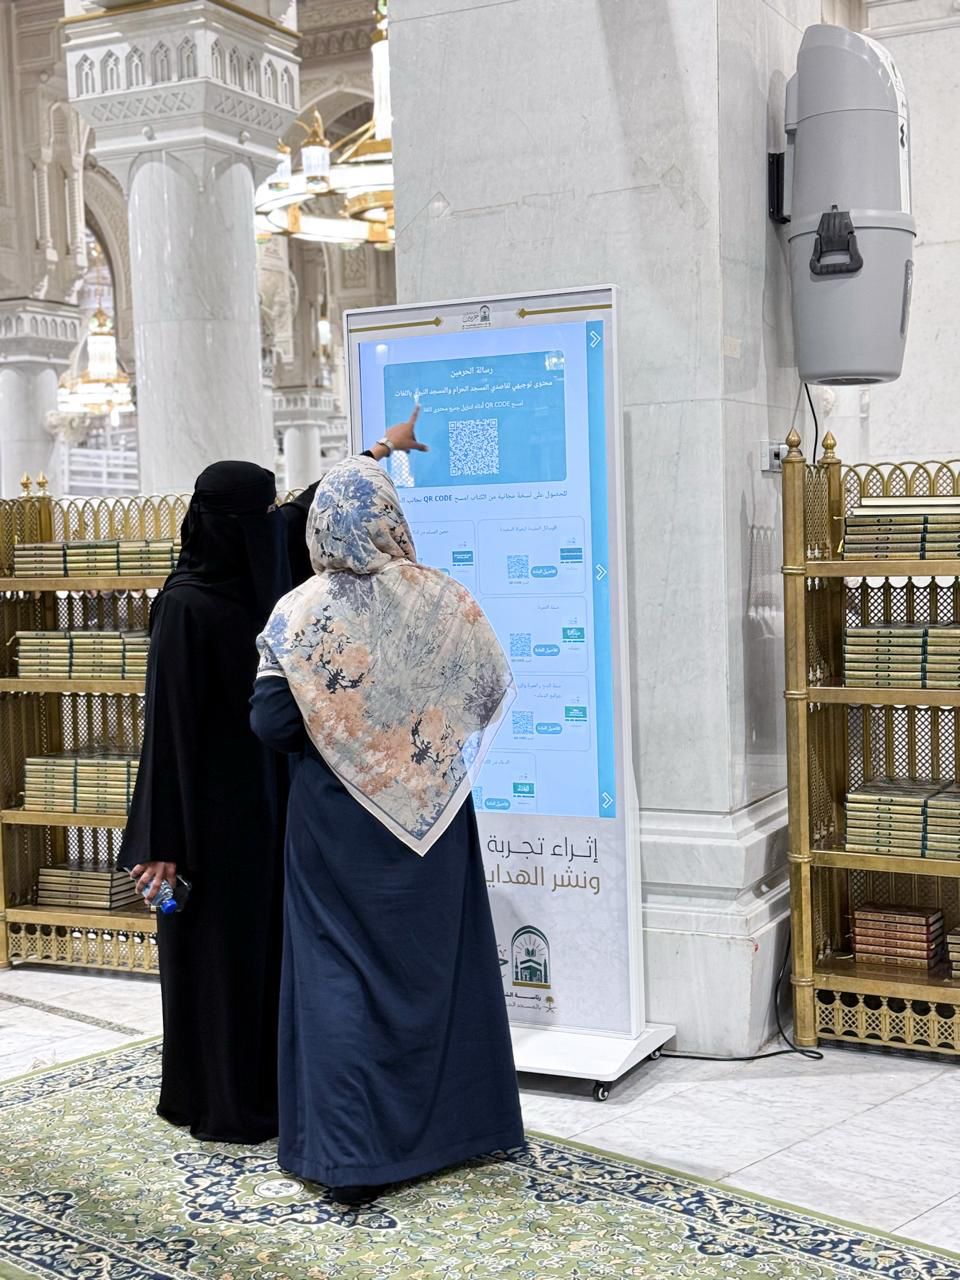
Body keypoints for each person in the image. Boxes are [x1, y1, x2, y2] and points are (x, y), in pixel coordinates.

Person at [250, 430, 524, 1205]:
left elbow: (272, 723)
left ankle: (352, 1159)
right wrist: (414, 731)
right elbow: (488, 695)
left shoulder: (299, 612)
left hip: (336, 830)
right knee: (437, 971)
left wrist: (347, 729)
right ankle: (459, 1131)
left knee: (341, 978)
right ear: (391, 520)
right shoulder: (447, 598)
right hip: (434, 822)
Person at [120, 461, 291, 1144]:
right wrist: (160, 843)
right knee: (212, 958)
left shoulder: (259, 593)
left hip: (263, 815)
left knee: (256, 956)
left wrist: (376, 451)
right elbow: (166, 729)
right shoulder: (185, 606)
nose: (271, 526)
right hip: (200, 826)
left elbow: (295, 517)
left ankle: (260, 1090)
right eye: (260, 516)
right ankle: (216, 1101)